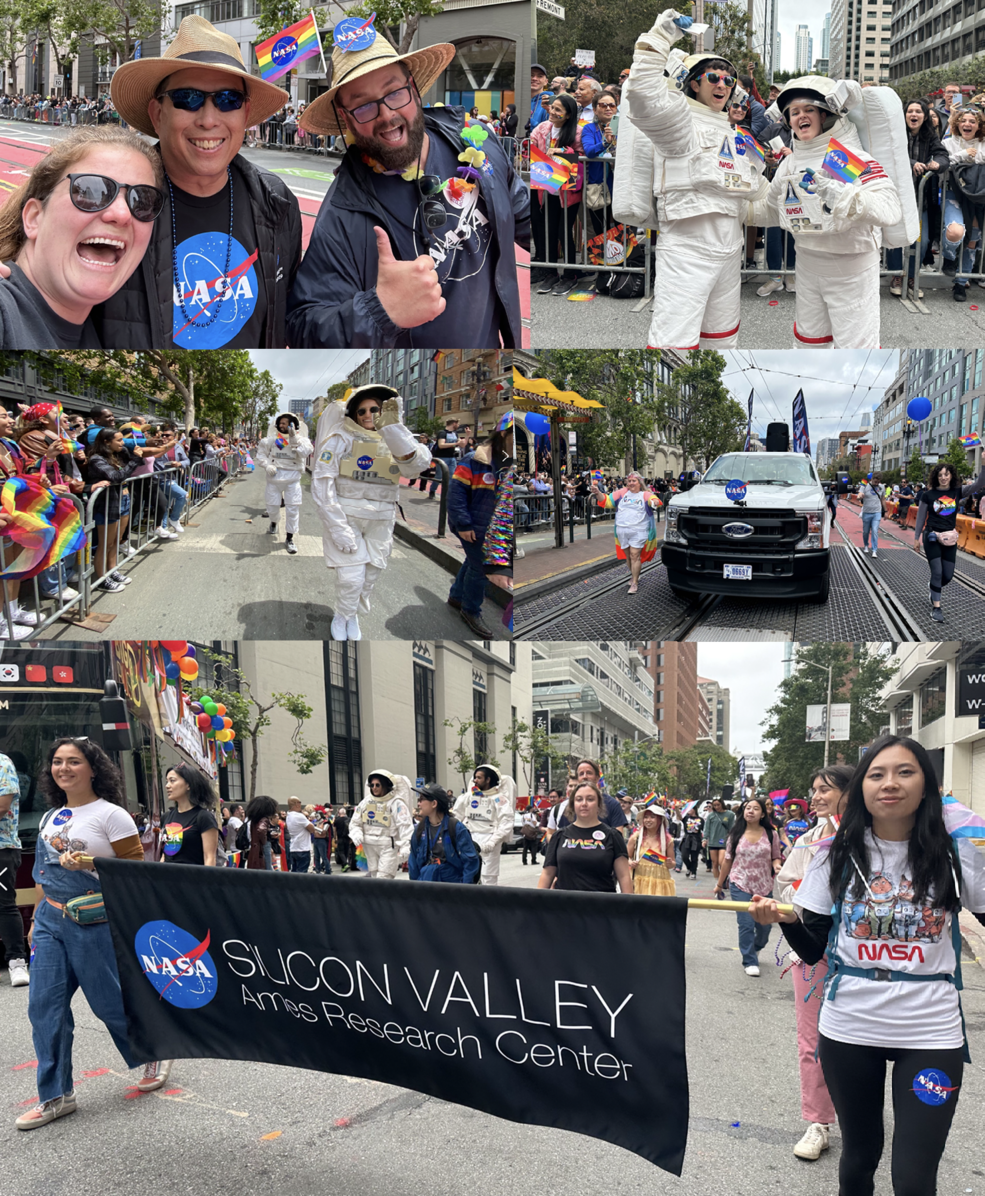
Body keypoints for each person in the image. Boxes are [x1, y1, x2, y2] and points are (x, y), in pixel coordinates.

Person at [751, 736, 985, 1196]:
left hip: (931, 1030)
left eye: (905, 772)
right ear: (861, 788)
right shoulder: (833, 855)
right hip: (850, 1028)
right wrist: (783, 920)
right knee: (859, 1161)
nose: (890, 783)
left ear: (926, 785)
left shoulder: (957, 855)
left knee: (915, 1178)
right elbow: (815, 948)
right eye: (877, 774)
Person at [288, 30, 528, 348]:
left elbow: (523, 212)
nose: (387, 115)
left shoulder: (476, 140)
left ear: (413, 89)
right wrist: (380, 311)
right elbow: (303, 327)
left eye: (395, 92)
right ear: (346, 119)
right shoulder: (342, 214)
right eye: (363, 107)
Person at [105, 15, 302, 348]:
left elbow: (294, 317)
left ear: (244, 114)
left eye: (228, 100)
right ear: (157, 114)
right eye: (187, 98)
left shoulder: (277, 203)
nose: (209, 119)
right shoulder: (113, 206)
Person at [17, 739, 168, 1130]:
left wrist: (92, 862)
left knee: (108, 1004)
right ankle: (55, 1095)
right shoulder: (52, 816)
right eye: (56, 762)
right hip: (50, 921)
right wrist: (35, 921)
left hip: (93, 921)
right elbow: (41, 876)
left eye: (73, 761)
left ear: (93, 769)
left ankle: (154, 1051)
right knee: (43, 1008)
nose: (63, 768)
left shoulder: (111, 815)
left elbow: (137, 873)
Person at [621, 12, 769, 348]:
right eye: (714, 77)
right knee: (673, 342)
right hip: (686, 250)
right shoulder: (679, 122)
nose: (722, 85)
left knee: (723, 342)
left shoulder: (738, 137)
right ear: (694, 83)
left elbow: (760, 198)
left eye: (729, 81)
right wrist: (661, 35)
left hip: (730, 250)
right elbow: (642, 96)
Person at [750, 77, 902, 348]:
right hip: (807, 266)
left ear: (824, 114)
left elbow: (890, 209)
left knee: (855, 349)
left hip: (852, 269)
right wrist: (734, 200)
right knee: (809, 344)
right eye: (794, 112)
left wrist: (844, 196)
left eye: (808, 110)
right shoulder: (789, 165)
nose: (801, 116)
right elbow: (769, 212)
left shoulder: (849, 157)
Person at [0, 126, 164, 348]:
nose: (122, 214)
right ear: (34, 217)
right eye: (90, 191)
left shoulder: (97, 332)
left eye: (141, 201)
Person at [771, 764, 852, 1162]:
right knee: (811, 1039)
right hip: (810, 951)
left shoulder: (874, 839)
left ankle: (859, 1106)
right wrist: (805, 889)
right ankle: (818, 1121)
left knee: (864, 1041)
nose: (817, 796)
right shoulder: (806, 842)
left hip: (864, 956)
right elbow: (783, 884)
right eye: (814, 789)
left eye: (827, 789)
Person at [312, 385, 431, 642]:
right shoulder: (339, 437)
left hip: (382, 520)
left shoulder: (398, 437)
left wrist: (393, 431)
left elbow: (416, 467)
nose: (368, 415)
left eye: (375, 409)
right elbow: (322, 482)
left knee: (370, 576)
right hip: (348, 517)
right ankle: (343, 615)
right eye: (362, 410)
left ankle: (351, 612)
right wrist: (337, 527)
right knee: (351, 578)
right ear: (353, 414)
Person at [447, 413, 513, 638]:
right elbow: (455, 496)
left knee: (472, 561)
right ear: (504, 434)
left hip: (490, 530)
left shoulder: (508, 462)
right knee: (481, 567)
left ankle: (456, 597)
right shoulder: (474, 460)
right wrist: (464, 524)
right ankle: (470, 610)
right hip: (471, 524)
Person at [714, 796, 782, 975]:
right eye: (747, 808)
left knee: (765, 926)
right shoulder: (735, 834)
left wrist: (776, 864)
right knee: (745, 923)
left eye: (755, 808)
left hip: (764, 884)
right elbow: (727, 861)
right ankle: (749, 960)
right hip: (740, 883)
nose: (750, 811)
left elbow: (776, 855)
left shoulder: (771, 834)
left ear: (762, 814)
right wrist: (720, 884)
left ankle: (756, 947)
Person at [887, 99, 947, 300]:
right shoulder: (895, 134)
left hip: (921, 199)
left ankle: (911, 277)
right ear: (904, 115)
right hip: (896, 196)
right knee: (896, 237)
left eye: (918, 111)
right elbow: (891, 156)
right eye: (910, 111)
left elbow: (942, 156)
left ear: (924, 115)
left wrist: (937, 164)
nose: (914, 115)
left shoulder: (930, 136)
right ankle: (897, 276)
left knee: (921, 240)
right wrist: (912, 163)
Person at [915, 460, 985, 622]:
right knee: (937, 572)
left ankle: (933, 586)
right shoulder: (928, 495)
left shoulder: (957, 492)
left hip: (950, 538)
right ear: (936, 477)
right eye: (940, 475)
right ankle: (937, 608)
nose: (943, 477)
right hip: (932, 536)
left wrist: (983, 464)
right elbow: (920, 519)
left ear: (951, 475)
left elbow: (980, 483)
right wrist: (916, 538)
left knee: (947, 575)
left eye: (946, 474)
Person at [531, 93, 584, 296]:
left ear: (568, 115)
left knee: (564, 231)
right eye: (552, 108)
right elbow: (531, 145)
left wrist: (563, 151)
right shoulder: (542, 128)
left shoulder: (577, 132)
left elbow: (581, 157)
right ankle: (551, 272)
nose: (552, 112)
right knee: (549, 231)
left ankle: (570, 275)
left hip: (568, 191)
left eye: (558, 110)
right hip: (547, 187)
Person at [538, 782, 632, 893]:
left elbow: (624, 876)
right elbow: (547, 874)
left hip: (602, 906)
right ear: (573, 804)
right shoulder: (559, 836)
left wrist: (628, 908)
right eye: (579, 799)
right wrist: (534, 905)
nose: (584, 803)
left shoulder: (613, 836)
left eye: (590, 799)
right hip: (564, 906)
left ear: (599, 804)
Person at [86, 426, 144, 592]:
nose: (122, 442)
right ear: (106, 442)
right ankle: (102, 578)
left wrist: (132, 454)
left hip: (123, 500)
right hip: (107, 504)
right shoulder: (97, 459)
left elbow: (133, 466)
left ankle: (112, 570)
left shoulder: (118, 455)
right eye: (118, 440)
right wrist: (134, 460)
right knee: (106, 543)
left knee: (115, 542)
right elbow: (117, 476)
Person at [941, 103, 985, 301]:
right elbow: (942, 163)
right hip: (954, 196)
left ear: (978, 125)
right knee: (955, 232)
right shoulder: (949, 143)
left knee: (973, 239)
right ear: (957, 124)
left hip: (978, 197)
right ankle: (949, 259)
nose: (967, 124)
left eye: (972, 121)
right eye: (963, 120)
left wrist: (974, 158)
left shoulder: (983, 144)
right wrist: (963, 155)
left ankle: (961, 284)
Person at [591, 471, 661, 594]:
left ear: (639, 483)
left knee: (635, 555)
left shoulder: (645, 494)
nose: (631, 483)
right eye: (629, 481)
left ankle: (634, 582)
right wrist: (597, 493)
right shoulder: (621, 493)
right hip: (622, 530)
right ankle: (635, 575)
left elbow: (653, 499)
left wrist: (654, 502)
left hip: (639, 530)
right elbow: (607, 501)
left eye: (634, 481)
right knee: (628, 557)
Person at [255, 412, 313, 555]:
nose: (283, 426)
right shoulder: (272, 440)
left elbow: (305, 453)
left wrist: (294, 439)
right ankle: (274, 522)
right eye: (281, 423)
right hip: (274, 479)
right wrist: (267, 465)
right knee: (272, 507)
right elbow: (261, 454)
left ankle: (290, 538)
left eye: (286, 423)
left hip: (293, 480)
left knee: (292, 510)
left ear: (293, 424)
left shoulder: (302, 440)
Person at [453, 765, 517, 885]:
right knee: (466, 875)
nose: (475, 780)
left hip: (489, 840)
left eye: (479, 778)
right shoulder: (468, 797)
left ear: (488, 780)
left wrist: (493, 842)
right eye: (475, 777)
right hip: (469, 839)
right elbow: (455, 817)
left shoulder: (498, 799)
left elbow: (506, 821)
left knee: (488, 878)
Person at [348, 770, 414, 879]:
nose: (374, 788)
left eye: (377, 785)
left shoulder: (396, 803)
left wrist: (406, 847)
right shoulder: (366, 802)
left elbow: (405, 826)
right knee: (374, 875)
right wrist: (356, 834)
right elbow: (355, 822)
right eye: (372, 785)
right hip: (369, 845)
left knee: (384, 877)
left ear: (386, 785)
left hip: (388, 845)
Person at [408, 783, 479, 883]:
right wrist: (415, 887)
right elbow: (413, 861)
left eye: (422, 799)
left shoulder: (456, 828)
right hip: (426, 882)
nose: (418, 804)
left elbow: (470, 861)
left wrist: (464, 889)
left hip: (451, 885)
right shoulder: (420, 829)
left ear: (434, 804)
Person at [0, 749, 28, 987]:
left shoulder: (2, 763)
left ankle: (17, 961)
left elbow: (2, 805)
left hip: (2, 848)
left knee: (4, 903)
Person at [160, 763, 219, 866]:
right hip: (167, 879)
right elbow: (165, 855)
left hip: (193, 879)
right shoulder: (166, 817)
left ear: (188, 784)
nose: (167, 786)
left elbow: (209, 857)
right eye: (167, 781)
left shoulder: (203, 817)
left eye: (172, 781)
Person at [627, 800, 676, 896]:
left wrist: (670, 863)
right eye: (646, 817)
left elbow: (672, 864)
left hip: (660, 884)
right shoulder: (636, 838)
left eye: (652, 817)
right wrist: (630, 862)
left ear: (660, 820)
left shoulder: (667, 840)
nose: (648, 820)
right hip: (639, 882)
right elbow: (626, 856)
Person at [703, 796, 735, 883]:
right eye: (715, 805)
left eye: (718, 805)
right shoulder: (711, 816)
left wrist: (732, 839)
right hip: (713, 842)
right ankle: (718, 881)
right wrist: (704, 839)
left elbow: (732, 828)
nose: (717, 807)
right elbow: (707, 828)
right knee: (715, 863)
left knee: (722, 862)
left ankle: (724, 879)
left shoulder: (730, 814)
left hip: (724, 842)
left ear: (722, 804)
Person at [285, 797, 320, 873]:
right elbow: (311, 829)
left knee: (294, 871)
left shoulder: (288, 815)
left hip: (293, 847)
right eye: (300, 802)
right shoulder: (299, 816)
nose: (301, 804)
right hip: (303, 848)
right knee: (302, 872)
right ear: (296, 804)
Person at [244, 794, 277, 870]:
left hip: (255, 846)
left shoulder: (254, 819)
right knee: (267, 868)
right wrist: (264, 841)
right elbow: (261, 830)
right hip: (263, 847)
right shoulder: (264, 819)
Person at [859, 472, 885, 558]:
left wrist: (886, 511)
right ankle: (866, 545)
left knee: (874, 530)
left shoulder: (882, 487)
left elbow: (883, 499)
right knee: (866, 532)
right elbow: (859, 495)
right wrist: (860, 496)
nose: (876, 483)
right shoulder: (865, 486)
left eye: (878, 482)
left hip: (877, 512)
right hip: (866, 512)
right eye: (875, 482)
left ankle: (874, 550)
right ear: (872, 479)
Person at [679, 804, 704, 879]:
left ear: (694, 809)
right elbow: (679, 817)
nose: (688, 811)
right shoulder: (686, 818)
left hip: (696, 839)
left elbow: (703, 829)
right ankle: (689, 868)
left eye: (690, 809)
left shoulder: (701, 819)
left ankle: (693, 872)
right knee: (684, 856)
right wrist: (677, 809)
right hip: (687, 838)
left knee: (694, 857)